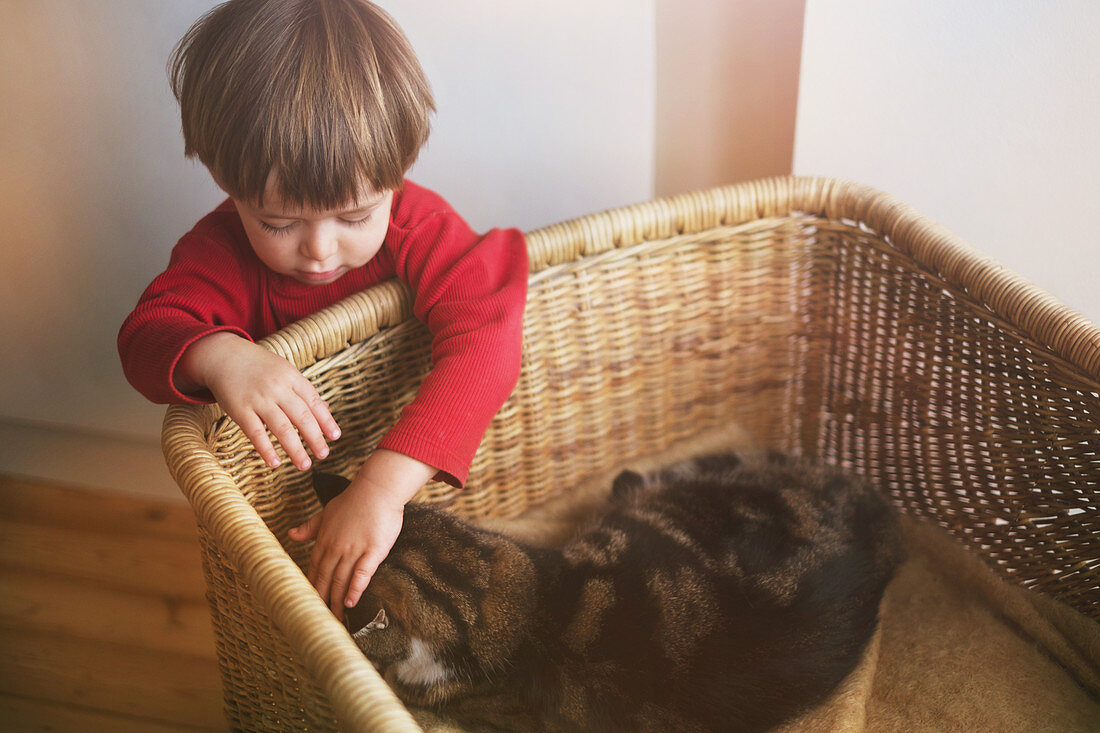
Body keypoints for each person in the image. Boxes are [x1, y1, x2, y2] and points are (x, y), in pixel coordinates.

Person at [118, 0, 527, 621]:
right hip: (286, 512)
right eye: (278, 223)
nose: (319, 249)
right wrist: (220, 352)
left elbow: (487, 335)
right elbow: (146, 334)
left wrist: (383, 492)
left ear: (399, 172)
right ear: (227, 184)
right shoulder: (220, 252)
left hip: (408, 491)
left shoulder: (421, 226)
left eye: (356, 216)